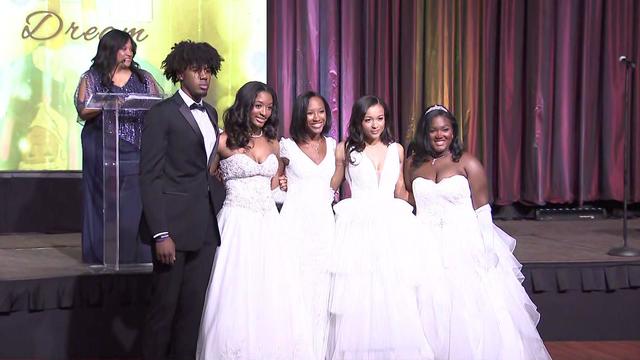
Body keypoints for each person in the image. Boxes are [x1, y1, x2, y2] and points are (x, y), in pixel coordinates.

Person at [405, 104, 551, 360]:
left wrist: (486, 249)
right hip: (423, 246)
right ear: (424, 133)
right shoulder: (413, 164)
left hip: (463, 245)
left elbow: (483, 211)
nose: (440, 135)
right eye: (433, 131)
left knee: (469, 313)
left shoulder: (468, 163)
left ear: (453, 132)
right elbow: (408, 201)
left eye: (445, 129)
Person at [196, 81, 313, 359]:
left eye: (269, 107)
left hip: (269, 224)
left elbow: (275, 186)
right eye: (258, 105)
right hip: (236, 223)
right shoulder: (224, 139)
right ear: (246, 105)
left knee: (272, 291)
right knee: (236, 294)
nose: (264, 112)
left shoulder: (274, 142)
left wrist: (282, 185)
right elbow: (206, 177)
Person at [328, 95, 434, 360]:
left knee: (396, 288)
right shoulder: (345, 149)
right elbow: (333, 184)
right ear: (358, 121)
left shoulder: (396, 149)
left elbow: (400, 188)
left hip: (392, 222)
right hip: (357, 224)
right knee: (360, 289)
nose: (375, 125)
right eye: (368, 119)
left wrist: (429, 204)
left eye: (380, 118)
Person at [139, 40, 224, 360]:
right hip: (171, 230)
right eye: (196, 70)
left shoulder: (212, 112)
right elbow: (149, 176)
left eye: (208, 71)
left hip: (203, 229)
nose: (204, 77)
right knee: (163, 313)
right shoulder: (162, 114)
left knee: (192, 315)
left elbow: (205, 169)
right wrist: (160, 232)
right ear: (179, 72)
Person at [74, 29, 162, 264]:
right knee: (106, 200)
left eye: (131, 48)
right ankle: (102, 253)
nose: (129, 52)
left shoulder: (144, 78)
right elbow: (83, 109)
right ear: (109, 50)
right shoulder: (91, 78)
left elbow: (158, 104)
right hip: (103, 146)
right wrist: (111, 102)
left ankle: (134, 252)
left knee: (135, 196)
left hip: (137, 145)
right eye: (124, 48)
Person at [278, 91, 338, 360]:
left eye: (321, 111)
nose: (316, 117)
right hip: (295, 224)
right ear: (301, 115)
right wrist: (280, 184)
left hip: (326, 226)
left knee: (324, 289)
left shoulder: (335, 145)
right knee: (297, 288)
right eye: (310, 112)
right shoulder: (287, 147)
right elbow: (274, 182)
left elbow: (335, 185)